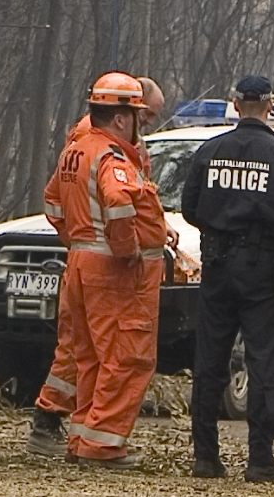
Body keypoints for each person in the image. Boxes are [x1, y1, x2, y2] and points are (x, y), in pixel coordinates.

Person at [28, 76, 171, 456]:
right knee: (126, 355)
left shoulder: (78, 148)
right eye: (143, 117)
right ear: (123, 118)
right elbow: (118, 201)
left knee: (85, 352)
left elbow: (54, 203)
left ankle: (80, 436)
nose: (145, 125)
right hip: (110, 269)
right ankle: (99, 444)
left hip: (81, 261)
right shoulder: (110, 154)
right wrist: (127, 250)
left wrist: (81, 240)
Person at [182, 75, 274, 483]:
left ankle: (206, 457)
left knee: (210, 360)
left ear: (236, 104)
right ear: (270, 105)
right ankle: (260, 459)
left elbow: (190, 208)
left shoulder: (209, 151)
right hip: (262, 269)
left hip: (217, 264)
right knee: (263, 361)